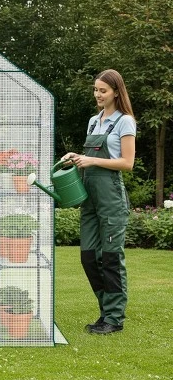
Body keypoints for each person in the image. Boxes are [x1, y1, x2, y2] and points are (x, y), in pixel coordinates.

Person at [62, 69, 136, 334]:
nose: (97, 94)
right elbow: (88, 158)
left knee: (111, 257)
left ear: (116, 92)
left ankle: (114, 318)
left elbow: (127, 163)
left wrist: (92, 159)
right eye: (95, 90)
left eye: (103, 90)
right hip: (90, 197)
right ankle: (106, 311)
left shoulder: (125, 121)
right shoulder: (94, 122)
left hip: (111, 198)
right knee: (89, 257)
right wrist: (75, 157)